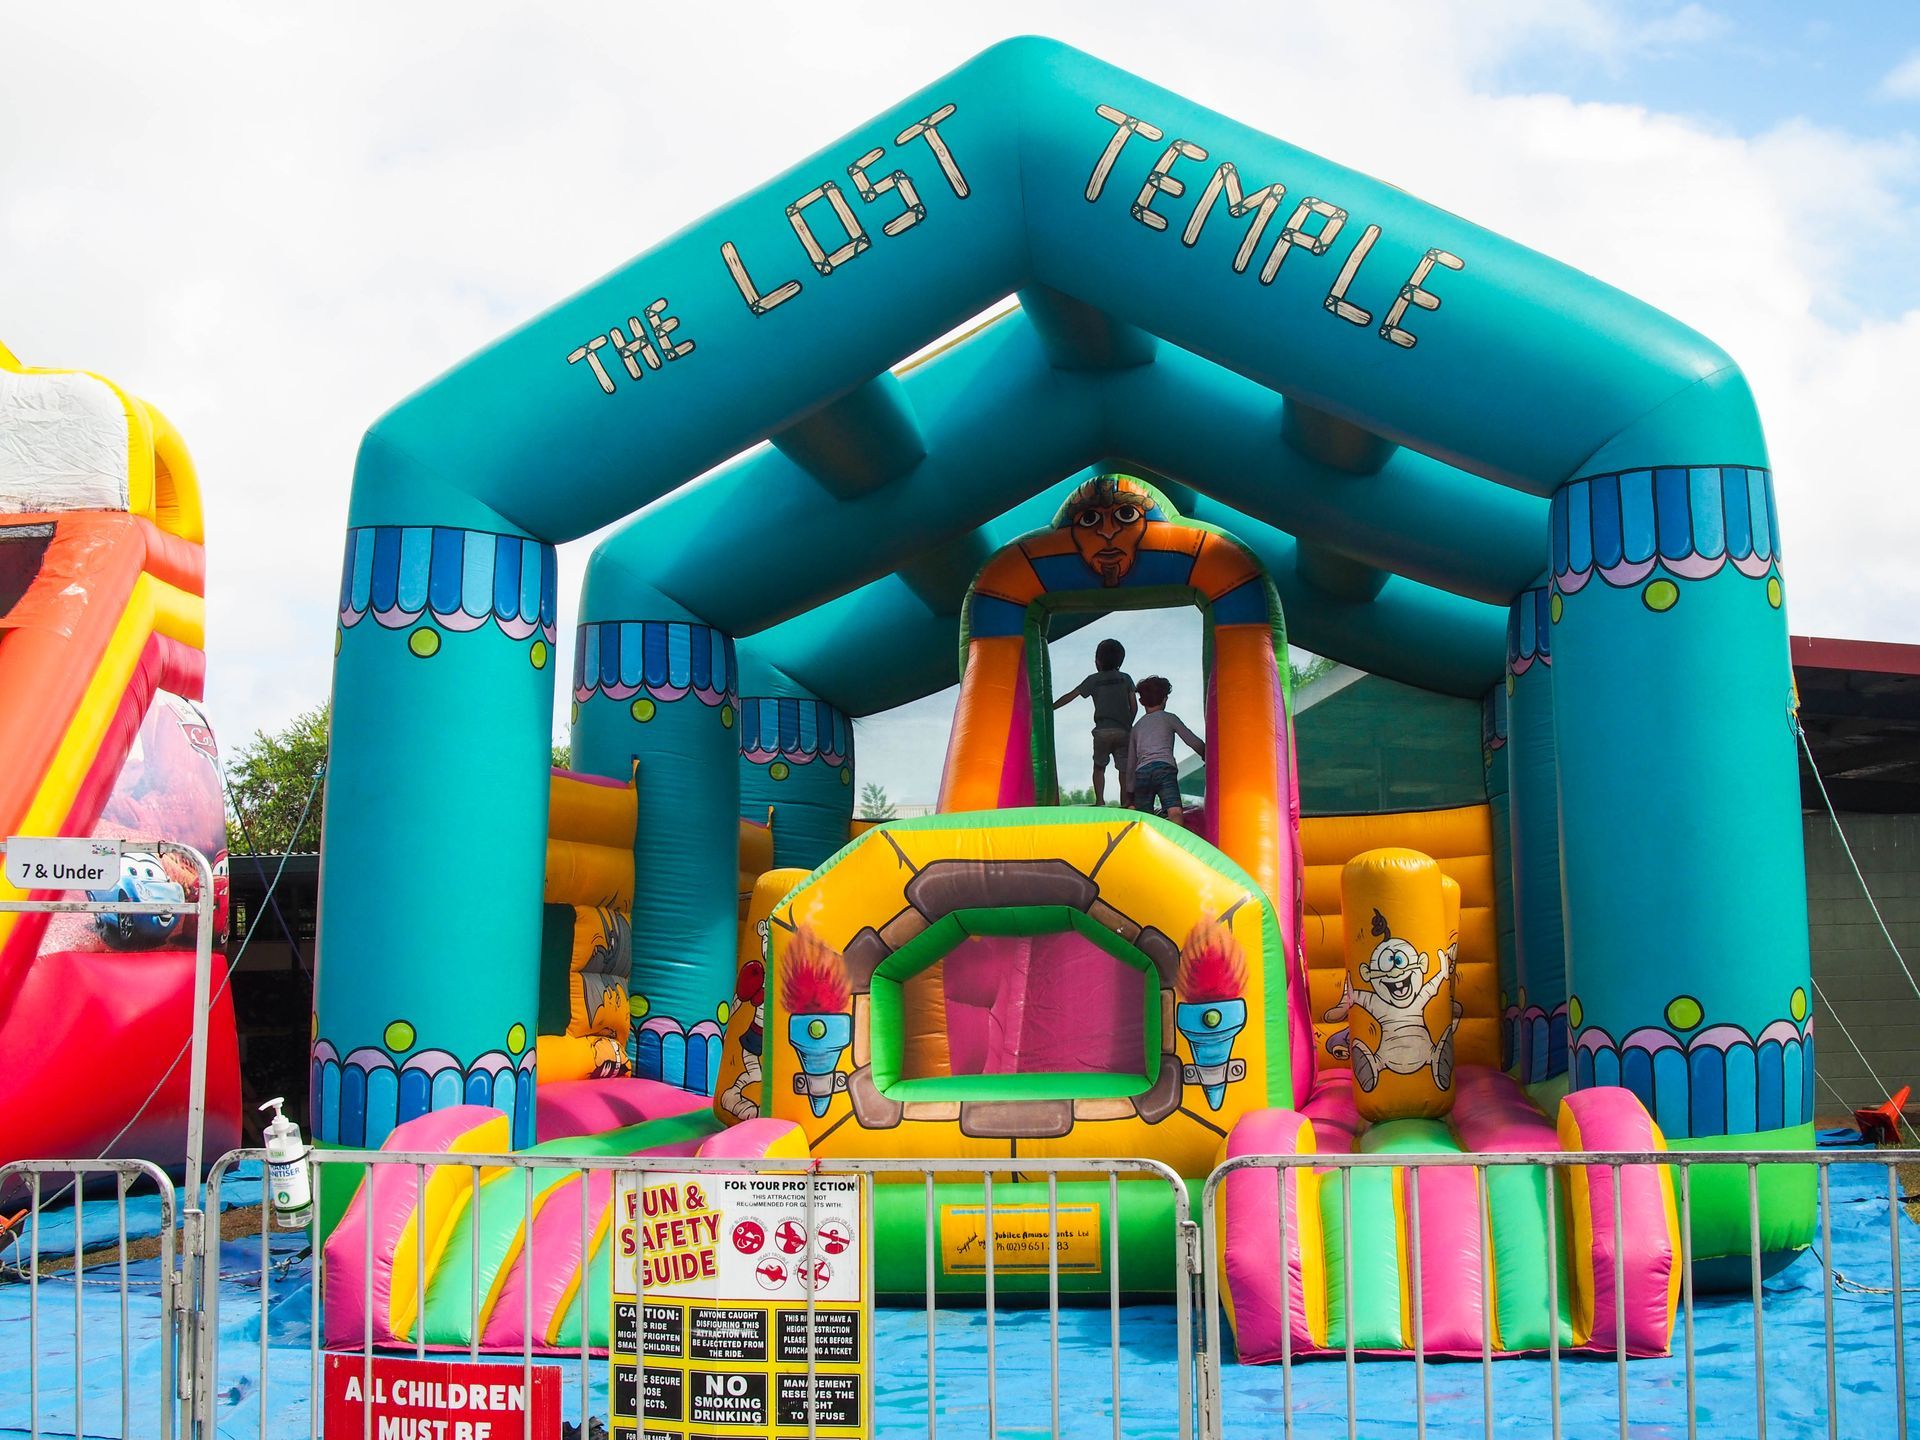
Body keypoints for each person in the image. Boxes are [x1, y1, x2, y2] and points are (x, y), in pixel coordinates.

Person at [1053, 638, 1136, 805]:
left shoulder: (1093, 679)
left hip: (1102, 732)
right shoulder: (1125, 678)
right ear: (1120, 660)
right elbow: (1133, 706)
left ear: (1098, 661)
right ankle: (1125, 802)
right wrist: (1128, 724)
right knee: (1124, 769)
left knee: (1099, 767)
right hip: (1123, 731)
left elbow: (1072, 695)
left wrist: (1051, 707)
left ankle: (1100, 800)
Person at [1127, 675, 1204, 825]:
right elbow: (1191, 740)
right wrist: (1206, 754)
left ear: (1141, 701)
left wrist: (1129, 791)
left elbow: (1131, 763)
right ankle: (1177, 844)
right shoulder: (1169, 718)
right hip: (1164, 769)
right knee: (1174, 811)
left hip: (1142, 773)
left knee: (1143, 817)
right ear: (1165, 699)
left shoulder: (1137, 727)